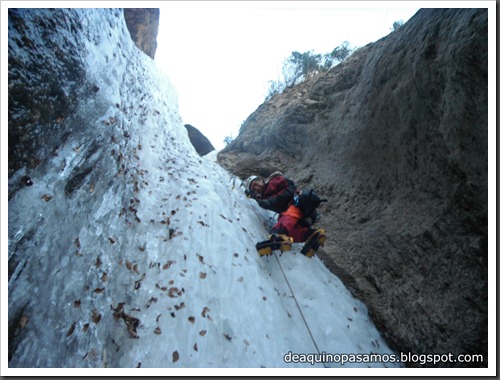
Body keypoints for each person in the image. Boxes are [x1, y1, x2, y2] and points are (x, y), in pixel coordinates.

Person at [244, 171, 326, 257]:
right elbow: (261, 197)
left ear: (260, 180)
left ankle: (279, 235)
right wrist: (251, 195)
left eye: (256, 184)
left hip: (298, 203)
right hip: (302, 217)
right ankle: (313, 235)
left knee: (286, 217)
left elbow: (291, 188)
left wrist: (271, 201)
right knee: (291, 232)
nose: (257, 187)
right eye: (253, 189)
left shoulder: (273, 181)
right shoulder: (263, 197)